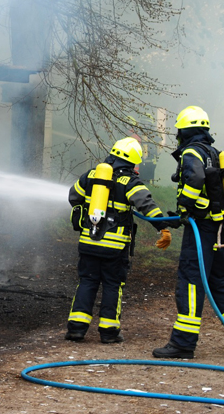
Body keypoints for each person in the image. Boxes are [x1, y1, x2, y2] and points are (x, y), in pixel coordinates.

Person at [152, 106, 224, 359]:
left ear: (184, 131)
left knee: (190, 283)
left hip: (202, 228)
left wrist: (184, 208)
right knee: (218, 282)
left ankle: (183, 344)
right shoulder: (214, 153)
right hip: (220, 228)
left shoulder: (192, 152)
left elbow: (196, 179)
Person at [65, 137, 171, 343]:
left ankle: (76, 329)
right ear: (131, 162)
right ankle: (109, 332)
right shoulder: (130, 182)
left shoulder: (91, 175)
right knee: (113, 285)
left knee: (87, 282)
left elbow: (73, 196)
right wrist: (163, 227)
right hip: (114, 248)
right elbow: (146, 205)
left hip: (89, 242)